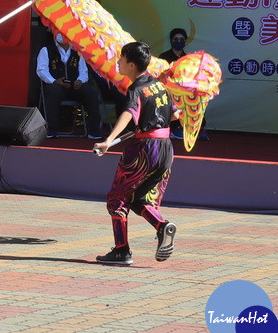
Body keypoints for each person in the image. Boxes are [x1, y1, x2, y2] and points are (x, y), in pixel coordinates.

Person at [94, 41, 177, 267]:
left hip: (144, 151)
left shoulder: (136, 89)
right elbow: (175, 116)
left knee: (117, 199)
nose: (118, 62)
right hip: (165, 149)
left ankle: (122, 251)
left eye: (121, 58)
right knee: (138, 198)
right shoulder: (160, 86)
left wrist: (108, 141)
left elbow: (129, 113)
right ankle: (162, 225)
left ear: (131, 65)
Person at [37, 29, 104, 140]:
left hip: (74, 87)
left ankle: (94, 131)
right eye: (59, 32)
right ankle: (52, 129)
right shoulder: (46, 50)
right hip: (56, 86)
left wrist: (80, 81)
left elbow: (83, 72)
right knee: (53, 91)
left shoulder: (77, 51)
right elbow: (41, 70)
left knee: (90, 92)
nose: (62, 36)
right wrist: (54, 81)